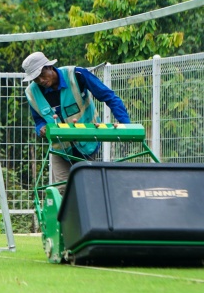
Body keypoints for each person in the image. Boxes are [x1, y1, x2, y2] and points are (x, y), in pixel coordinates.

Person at [22, 52, 130, 194]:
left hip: (87, 142)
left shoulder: (77, 75)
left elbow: (109, 97)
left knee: (88, 187)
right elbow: (39, 121)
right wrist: (41, 129)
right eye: (36, 79)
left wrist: (125, 124)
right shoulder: (32, 93)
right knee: (62, 190)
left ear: (50, 67)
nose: (41, 80)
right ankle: (66, 216)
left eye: (42, 75)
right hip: (60, 149)